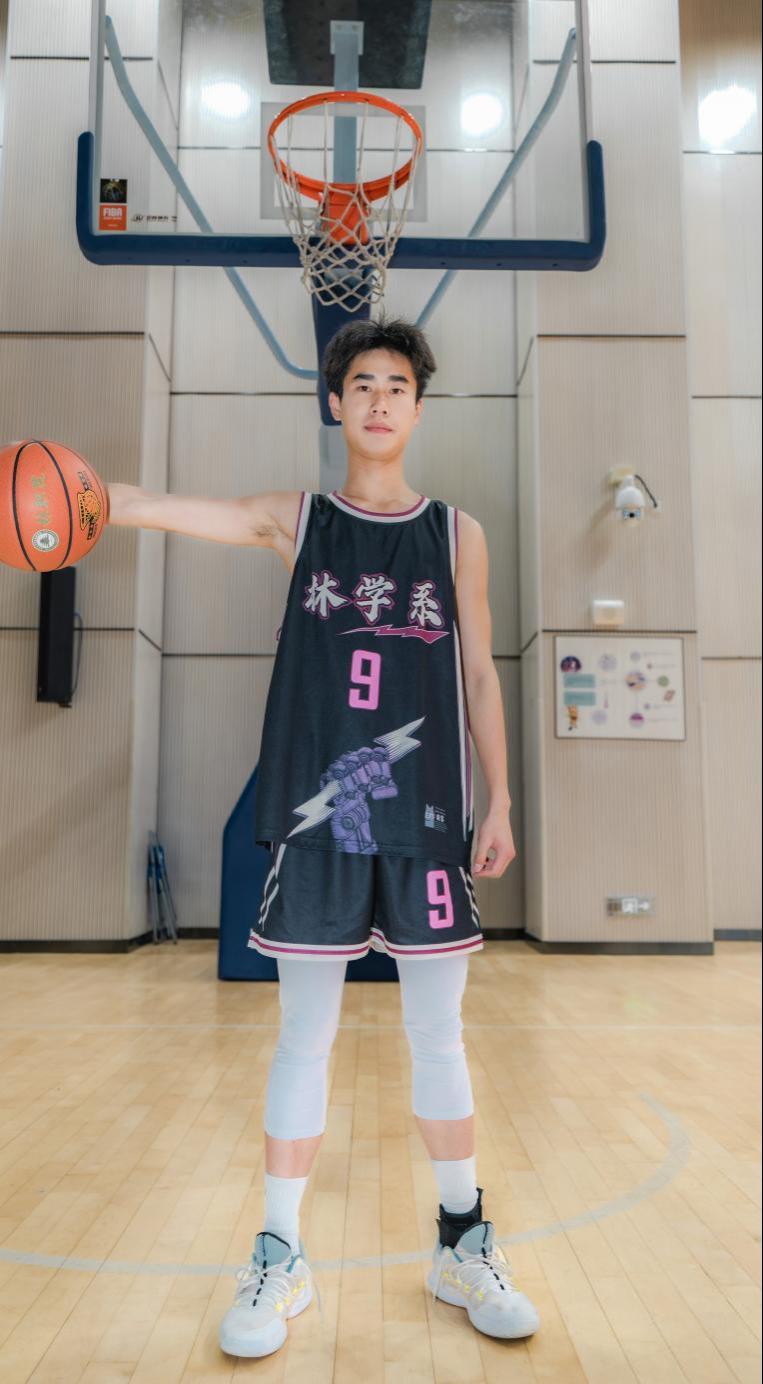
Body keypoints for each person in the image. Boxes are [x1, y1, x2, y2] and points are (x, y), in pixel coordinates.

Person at [108, 316, 540, 1360]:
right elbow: (170, 508)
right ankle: (280, 1251)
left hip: (426, 815)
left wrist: (499, 800)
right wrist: (98, 499)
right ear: (335, 403)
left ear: (418, 409)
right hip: (320, 814)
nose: (380, 399)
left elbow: (479, 675)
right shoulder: (297, 520)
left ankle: (461, 1242)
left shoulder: (457, 535)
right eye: (362, 384)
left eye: (397, 386)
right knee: (303, 1035)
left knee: (438, 1033)